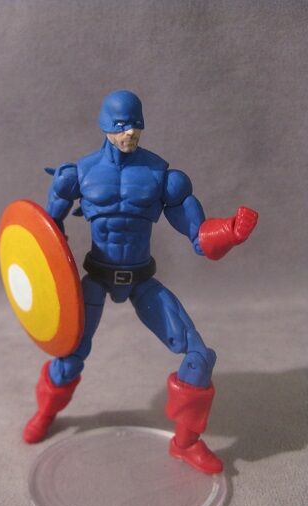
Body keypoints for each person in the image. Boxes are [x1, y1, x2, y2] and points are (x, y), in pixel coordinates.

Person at [22, 90, 258, 474]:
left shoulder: (163, 178)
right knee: (68, 359)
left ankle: (186, 443)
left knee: (199, 356)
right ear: (105, 126)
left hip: (141, 279)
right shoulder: (77, 175)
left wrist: (228, 232)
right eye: (121, 126)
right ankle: (45, 413)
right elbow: (44, 234)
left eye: (135, 125)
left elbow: (200, 239)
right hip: (96, 278)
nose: (129, 133)